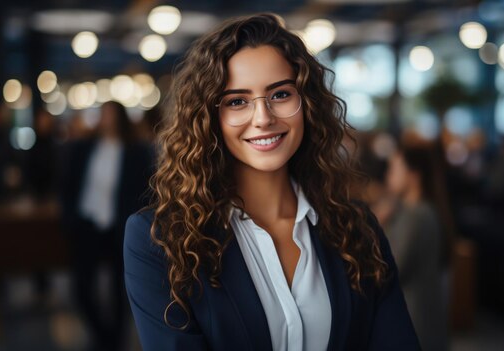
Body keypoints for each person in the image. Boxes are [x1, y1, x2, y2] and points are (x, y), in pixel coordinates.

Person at [123, 14, 419, 350]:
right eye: (237, 101)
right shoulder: (160, 241)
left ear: (306, 103)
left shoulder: (357, 227)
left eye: (280, 94)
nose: (263, 118)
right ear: (209, 118)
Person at [60, 101, 154, 351]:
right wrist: (69, 217)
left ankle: (115, 341)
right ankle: (103, 337)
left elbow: (146, 191)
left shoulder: (137, 150)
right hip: (87, 224)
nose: (105, 119)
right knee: (81, 289)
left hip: (120, 227)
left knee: (119, 290)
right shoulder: (84, 148)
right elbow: (68, 184)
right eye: (102, 114)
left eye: (110, 114)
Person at [382, 145, 450, 351]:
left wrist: (378, 224)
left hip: (415, 321)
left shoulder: (415, 215)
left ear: (413, 175)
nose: (389, 175)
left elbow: (391, 269)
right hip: (423, 318)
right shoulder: (421, 210)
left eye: (394, 169)